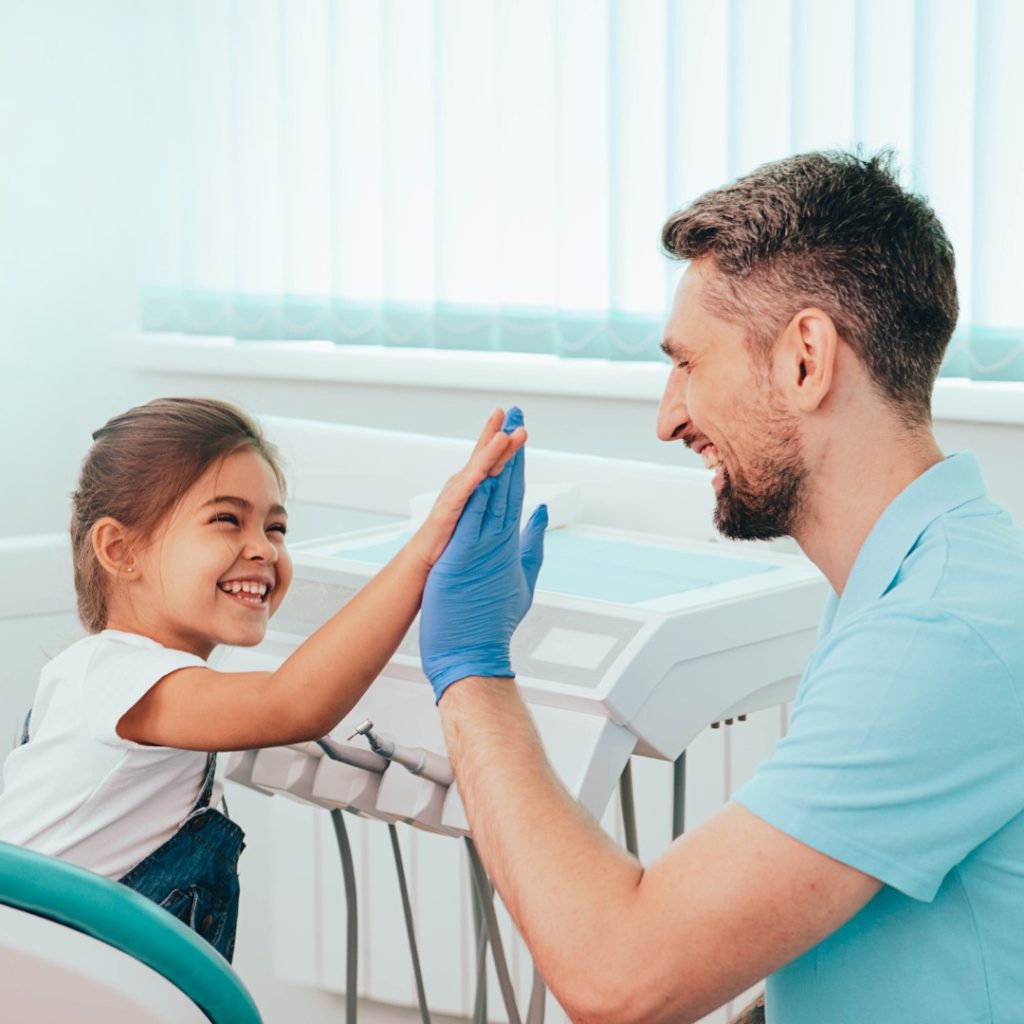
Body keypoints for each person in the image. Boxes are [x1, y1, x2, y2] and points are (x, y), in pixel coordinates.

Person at [417, 151, 1024, 1023]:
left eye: (689, 364)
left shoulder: (939, 633)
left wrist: (470, 672)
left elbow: (618, 976)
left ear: (805, 359)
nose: (668, 418)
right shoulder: (915, 581)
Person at [0, 396, 525, 962]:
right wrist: (427, 549)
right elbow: (292, 701)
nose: (263, 548)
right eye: (227, 519)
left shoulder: (120, 678)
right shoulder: (117, 676)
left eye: (276, 527)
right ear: (120, 549)